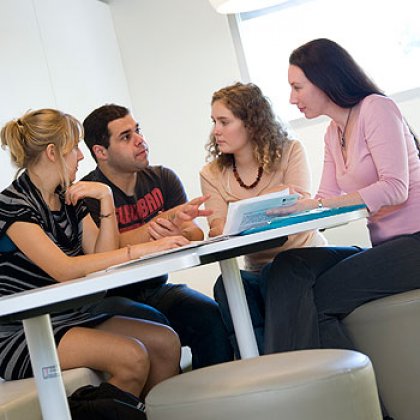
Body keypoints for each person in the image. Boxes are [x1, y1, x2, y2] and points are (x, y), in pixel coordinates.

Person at [262, 39, 420, 419]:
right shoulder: (335, 132)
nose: (291, 98)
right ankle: (283, 387)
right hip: (386, 248)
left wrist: (317, 204)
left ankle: (334, 408)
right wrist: (291, 208)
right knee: (285, 269)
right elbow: (327, 199)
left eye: (297, 87)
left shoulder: (376, 109)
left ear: (325, 80)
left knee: (319, 296)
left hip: (414, 244)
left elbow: (394, 187)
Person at [0, 109, 186, 405]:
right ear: (52, 153)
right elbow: (66, 269)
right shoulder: (12, 206)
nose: (81, 156)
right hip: (23, 333)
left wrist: (106, 199)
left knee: (165, 342)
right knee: (132, 357)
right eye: (74, 148)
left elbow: (104, 258)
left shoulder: (66, 196)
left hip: (69, 318)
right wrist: (140, 248)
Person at [81, 104, 233, 369]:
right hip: (106, 301)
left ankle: (213, 403)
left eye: (137, 131)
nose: (140, 141)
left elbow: (194, 233)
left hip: (156, 289)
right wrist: (163, 223)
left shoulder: (163, 178)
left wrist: (177, 230)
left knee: (210, 316)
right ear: (100, 152)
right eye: (126, 137)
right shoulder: (88, 194)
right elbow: (106, 252)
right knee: (154, 322)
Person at [200, 82, 326, 355]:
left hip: (304, 257)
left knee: (276, 273)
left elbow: (299, 203)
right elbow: (218, 228)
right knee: (226, 286)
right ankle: (260, 368)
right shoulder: (211, 173)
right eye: (214, 122)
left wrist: (242, 211)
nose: (216, 131)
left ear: (252, 123)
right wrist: (272, 197)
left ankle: (288, 367)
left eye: (224, 121)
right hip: (258, 268)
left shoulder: (290, 150)